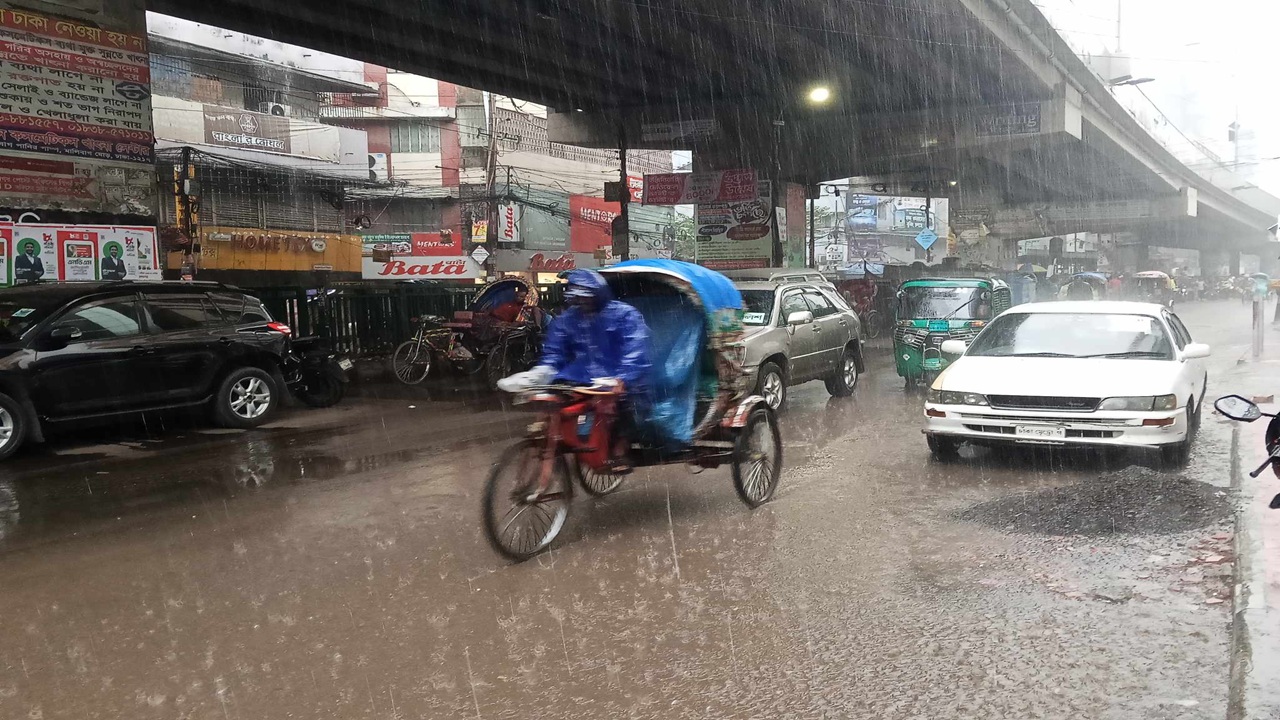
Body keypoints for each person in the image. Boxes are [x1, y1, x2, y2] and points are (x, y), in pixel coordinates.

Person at [498, 269, 651, 468]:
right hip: (579, 376)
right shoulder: (568, 319)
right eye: (578, 297)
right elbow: (554, 351)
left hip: (617, 375)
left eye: (586, 296)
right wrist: (542, 372)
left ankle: (620, 448)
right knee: (552, 401)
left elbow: (636, 349)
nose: (582, 302)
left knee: (623, 406)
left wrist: (622, 378)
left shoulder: (624, 314)